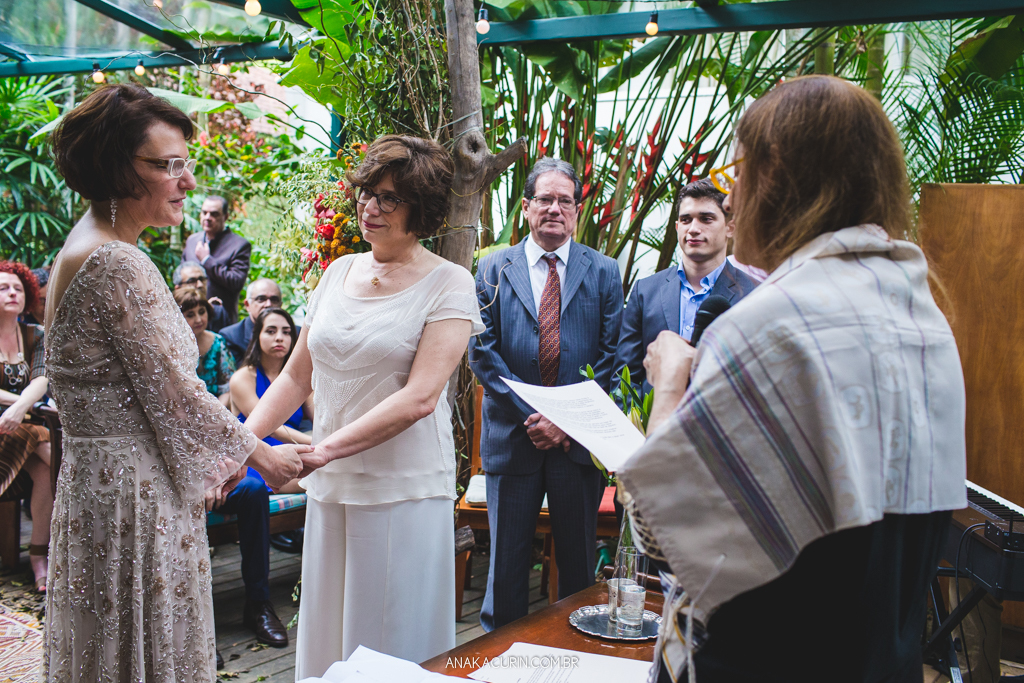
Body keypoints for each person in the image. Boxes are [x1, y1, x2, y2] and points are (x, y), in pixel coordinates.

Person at [617, 75, 966, 683]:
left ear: (777, 174)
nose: (732, 198)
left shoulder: (773, 325)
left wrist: (670, 383)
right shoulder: (922, 314)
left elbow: (661, 535)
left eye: (739, 172)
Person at [43, 83, 307, 683]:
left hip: (98, 490)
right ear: (116, 168)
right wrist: (262, 455)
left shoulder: (83, 247)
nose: (188, 182)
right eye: (168, 166)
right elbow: (176, 395)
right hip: (134, 500)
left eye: (185, 164)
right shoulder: (117, 261)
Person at [245, 134, 483, 677]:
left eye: (388, 198)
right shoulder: (337, 272)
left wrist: (322, 451)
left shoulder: (450, 283)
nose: (370, 208)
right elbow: (296, 376)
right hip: (332, 484)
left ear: (421, 210)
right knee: (329, 629)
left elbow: (420, 398)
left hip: (401, 486)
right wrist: (243, 443)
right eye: (367, 193)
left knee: (388, 636)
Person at [470, 157, 624, 632]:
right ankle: (501, 662)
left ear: (577, 209)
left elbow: (613, 359)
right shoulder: (493, 268)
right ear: (527, 206)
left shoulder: (604, 272)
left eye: (565, 200)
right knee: (506, 572)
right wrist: (536, 417)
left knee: (577, 571)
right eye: (545, 199)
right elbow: (482, 352)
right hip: (515, 441)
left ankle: (575, 658)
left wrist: (566, 422)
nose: (555, 208)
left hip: (576, 448)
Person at [203, 307, 312, 649]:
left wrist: (332, 440)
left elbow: (319, 414)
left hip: (289, 458)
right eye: (271, 331)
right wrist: (318, 445)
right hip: (251, 460)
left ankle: (318, 578)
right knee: (257, 484)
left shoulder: (301, 380)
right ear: (256, 336)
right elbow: (265, 426)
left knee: (329, 472)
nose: (279, 337)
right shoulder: (243, 378)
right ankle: (259, 600)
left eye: (286, 331)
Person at [612, 178, 758, 393]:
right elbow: (624, 378)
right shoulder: (646, 291)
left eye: (706, 219)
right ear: (677, 227)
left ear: (730, 228)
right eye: (686, 219)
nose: (694, 229)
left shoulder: (753, 295)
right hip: (648, 422)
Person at [0, 262, 52, 593]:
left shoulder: (35, 334)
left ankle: (37, 555)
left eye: (18, 288)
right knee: (54, 452)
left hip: (25, 425)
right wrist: (19, 407)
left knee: (47, 473)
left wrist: (21, 406)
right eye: (4, 288)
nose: (12, 293)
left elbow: (42, 377)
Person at [182, 195, 250, 325]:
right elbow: (181, 276)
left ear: (225, 217)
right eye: (204, 213)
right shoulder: (192, 241)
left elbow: (236, 282)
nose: (208, 217)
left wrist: (207, 260)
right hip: (190, 320)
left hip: (220, 320)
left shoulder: (239, 245)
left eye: (214, 214)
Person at [174, 286, 234, 407]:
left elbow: (228, 386)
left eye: (202, 312)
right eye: (190, 315)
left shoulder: (218, 342)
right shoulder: (172, 346)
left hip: (219, 409)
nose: (198, 319)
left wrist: (217, 413)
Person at [219, 278, 288, 365]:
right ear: (247, 305)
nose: (268, 304)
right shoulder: (231, 336)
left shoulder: (296, 334)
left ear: (280, 305)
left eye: (274, 300)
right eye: (261, 299)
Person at [173, 262, 230, 331]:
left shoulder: (217, 312)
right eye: (192, 281)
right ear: (178, 288)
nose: (200, 285)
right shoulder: (170, 315)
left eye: (202, 279)